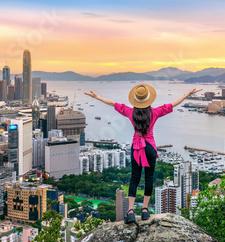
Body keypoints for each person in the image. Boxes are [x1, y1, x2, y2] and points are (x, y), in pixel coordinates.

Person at [85, 84, 202, 223]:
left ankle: (130, 211)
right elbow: (173, 104)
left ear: (135, 99)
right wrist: (187, 94)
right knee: (149, 178)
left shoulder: (130, 112)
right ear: (148, 99)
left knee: (134, 178)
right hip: (150, 148)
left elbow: (113, 104)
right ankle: (145, 210)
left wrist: (97, 97)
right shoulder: (155, 112)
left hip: (136, 148)